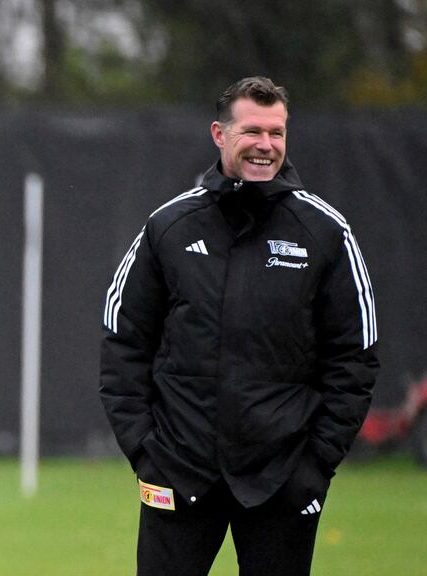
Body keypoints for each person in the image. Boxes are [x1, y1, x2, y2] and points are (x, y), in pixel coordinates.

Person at [100, 77, 379, 575]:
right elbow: (123, 341)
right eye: (252, 131)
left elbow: (355, 357)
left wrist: (316, 461)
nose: (265, 145)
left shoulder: (326, 232)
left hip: (284, 478)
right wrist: (145, 449)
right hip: (178, 471)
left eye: (277, 133)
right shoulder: (168, 227)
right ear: (219, 134)